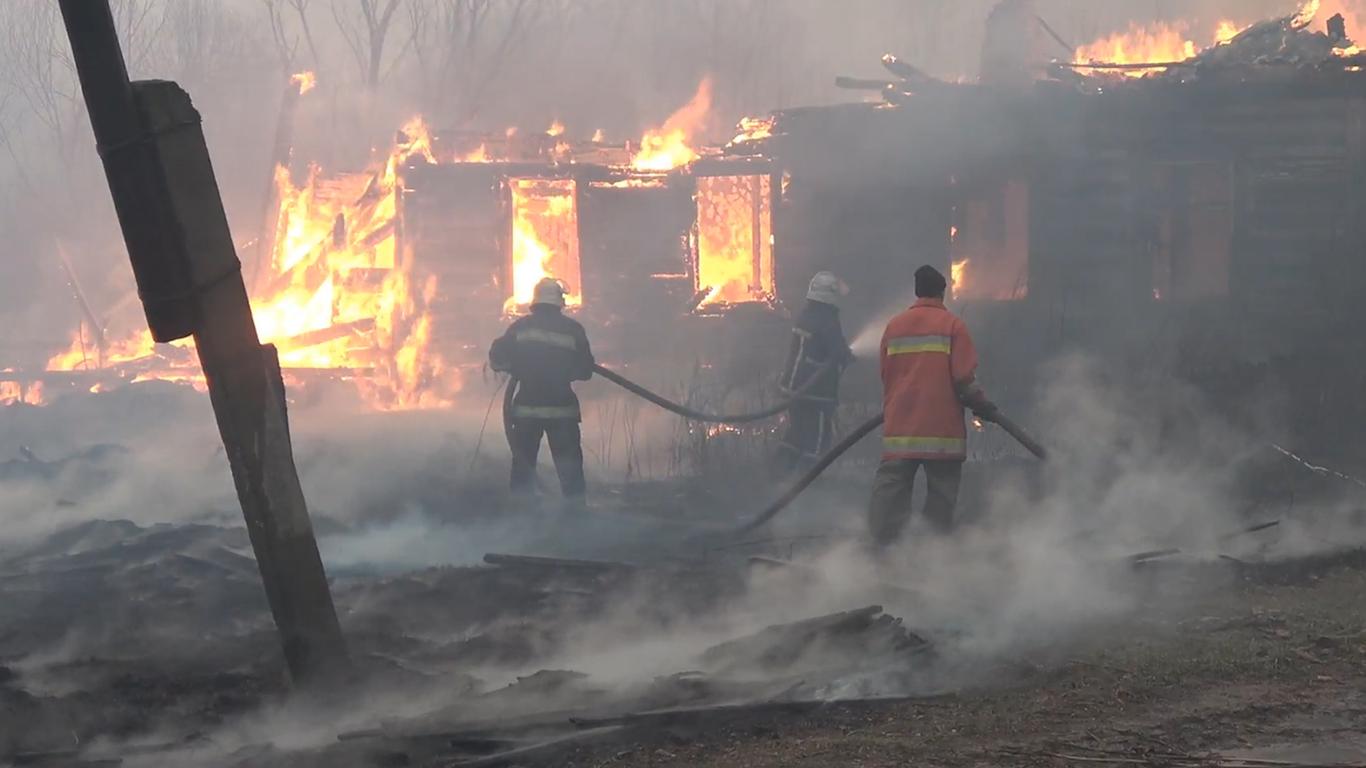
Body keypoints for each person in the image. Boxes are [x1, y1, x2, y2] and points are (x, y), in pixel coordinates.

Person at [867, 265, 996, 547]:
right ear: (942, 292)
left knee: (890, 492)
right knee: (941, 496)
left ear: (916, 292)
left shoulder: (894, 326)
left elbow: (885, 374)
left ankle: (880, 551)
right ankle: (931, 556)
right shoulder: (953, 326)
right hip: (942, 431)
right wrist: (983, 405)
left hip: (901, 427)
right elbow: (964, 379)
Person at [489, 278, 594, 505]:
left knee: (523, 469)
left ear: (536, 301)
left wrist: (516, 367)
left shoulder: (520, 327)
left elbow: (497, 358)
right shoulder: (573, 330)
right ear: (559, 302)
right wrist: (563, 371)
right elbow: (586, 371)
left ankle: (521, 517)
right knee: (571, 472)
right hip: (562, 411)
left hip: (527, 412)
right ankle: (578, 517)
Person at [777, 271, 854, 472]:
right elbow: (837, 350)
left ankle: (779, 476)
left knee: (797, 433)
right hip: (816, 392)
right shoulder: (827, 319)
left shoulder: (806, 314)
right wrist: (847, 356)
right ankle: (809, 486)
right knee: (818, 440)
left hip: (794, 388)